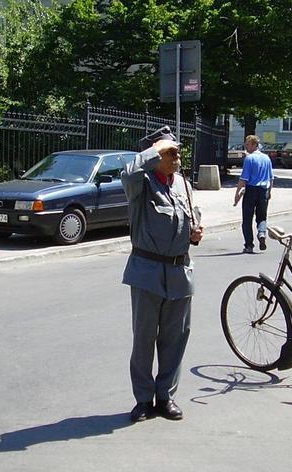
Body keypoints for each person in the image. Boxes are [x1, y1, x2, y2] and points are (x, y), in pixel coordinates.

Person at [121, 126, 203, 422]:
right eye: (170, 151)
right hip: (147, 270)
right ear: (155, 156)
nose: (177, 155)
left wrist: (196, 231)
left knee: (175, 339)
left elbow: (193, 214)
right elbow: (127, 173)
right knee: (144, 339)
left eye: (177, 150)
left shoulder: (182, 183)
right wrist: (154, 149)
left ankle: (166, 396)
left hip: (180, 271)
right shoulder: (141, 183)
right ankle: (143, 400)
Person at [234, 135, 274, 253]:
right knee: (262, 217)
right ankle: (261, 233)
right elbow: (271, 178)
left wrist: (237, 195)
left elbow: (243, 179)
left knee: (247, 219)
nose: (246, 146)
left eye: (248, 144)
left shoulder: (249, 159)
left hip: (251, 190)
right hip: (263, 191)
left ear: (254, 145)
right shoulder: (266, 158)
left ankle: (249, 245)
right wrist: (269, 191)